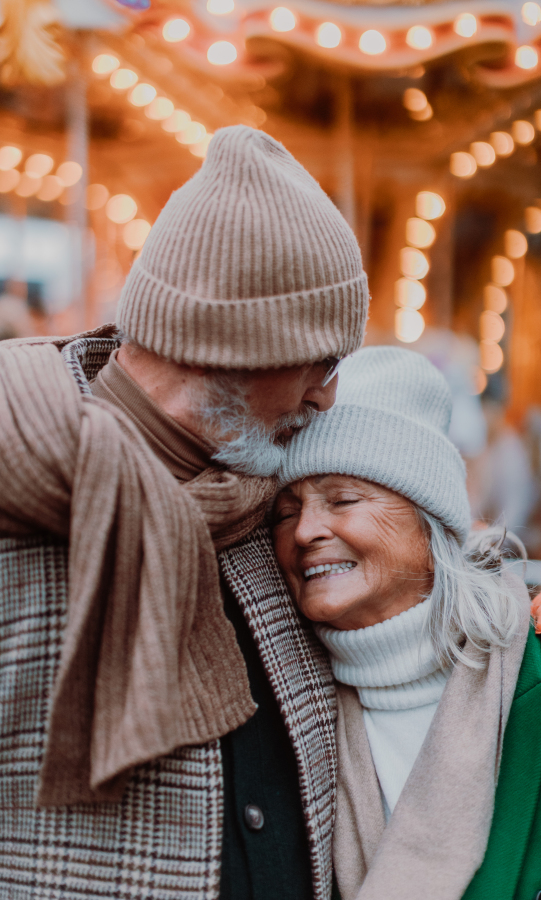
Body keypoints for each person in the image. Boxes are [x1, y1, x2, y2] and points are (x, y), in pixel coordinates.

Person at [0, 126, 368, 900]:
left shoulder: (278, 494)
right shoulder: (20, 486)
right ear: (221, 343)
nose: (327, 394)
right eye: (320, 360)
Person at [273, 346, 541, 900]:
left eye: (343, 499)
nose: (304, 531)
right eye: (284, 510)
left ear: (431, 524)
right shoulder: (283, 702)